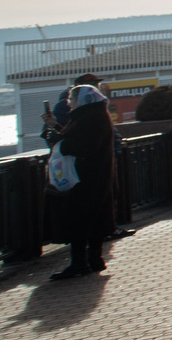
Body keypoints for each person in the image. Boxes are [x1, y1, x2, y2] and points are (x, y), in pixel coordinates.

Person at [48, 84, 119, 281]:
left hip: (86, 178)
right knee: (96, 218)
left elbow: (85, 146)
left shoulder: (89, 118)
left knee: (79, 219)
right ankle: (94, 259)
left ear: (81, 100)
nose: (69, 103)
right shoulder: (95, 115)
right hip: (97, 175)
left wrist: (61, 143)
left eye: (71, 99)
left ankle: (79, 263)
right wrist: (56, 128)